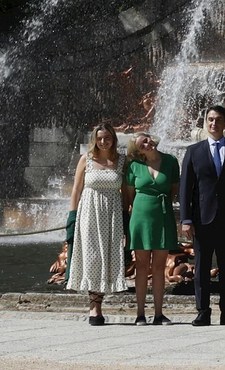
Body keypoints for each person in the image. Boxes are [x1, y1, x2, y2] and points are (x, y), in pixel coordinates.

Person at [179, 104, 225, 326]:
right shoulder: (193, 151)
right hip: (202, 218)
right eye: (210, 119)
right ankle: (203, 311)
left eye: (218, 120)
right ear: (205, 122)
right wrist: (186, 219)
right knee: (201, 267)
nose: (214, 123)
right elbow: (185, 187)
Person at [67, 123, 126, 324]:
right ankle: (94, 308)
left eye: (107, 137)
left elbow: (127, 193)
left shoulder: (121, 161)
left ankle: (99, 304)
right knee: (92, 258)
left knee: (107, 258)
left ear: (113, 139)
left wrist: (127, 218)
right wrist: (72, 217)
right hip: (89, 213)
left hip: (113, 215)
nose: (103, 141)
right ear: (94, 139)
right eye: (99, 138)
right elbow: (76, 190)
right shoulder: (86, 160)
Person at [124, 130, 179, 325]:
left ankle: (158, 313)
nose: (147, 144)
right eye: (142, 144)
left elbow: (173, 190)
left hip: (163, 217)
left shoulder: (171, 161)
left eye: (147, 140)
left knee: (159, 267)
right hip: (140, 219)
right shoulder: (134, 166)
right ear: (138, 151)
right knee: (141, 266)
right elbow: (128, 197)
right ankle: (140, 313)